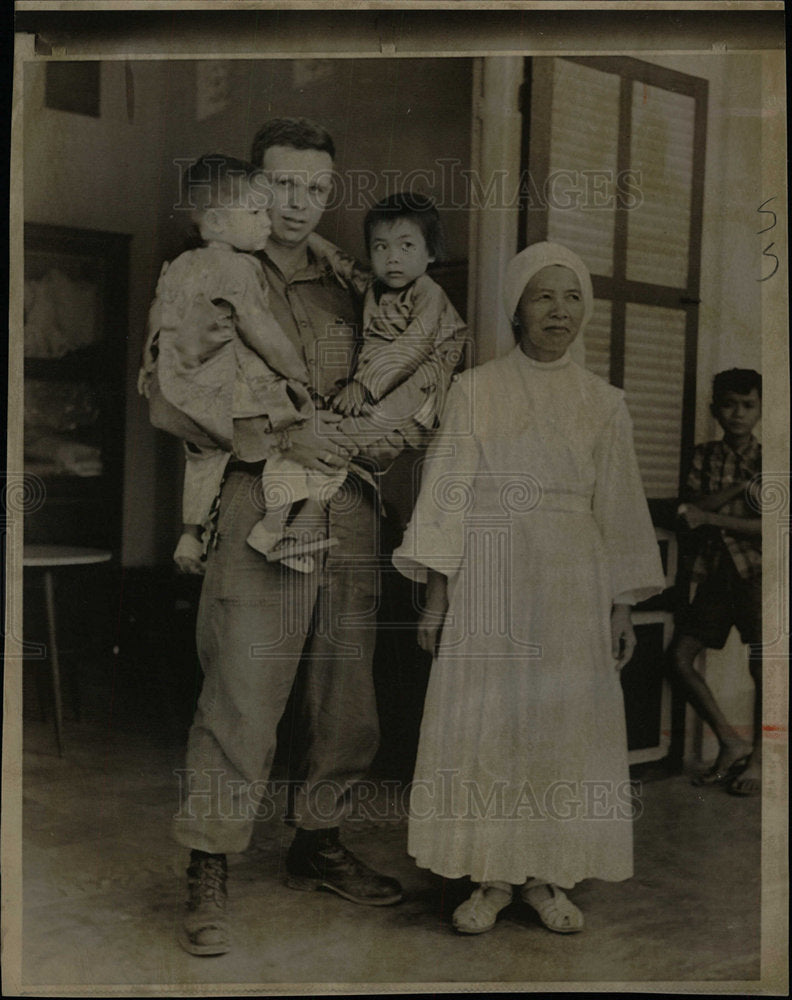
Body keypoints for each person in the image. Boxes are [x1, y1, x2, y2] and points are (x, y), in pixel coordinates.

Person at [151, 118, 457, 956]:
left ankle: (317, 841)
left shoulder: (354, 280)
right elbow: (170, 394)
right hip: (256, 500)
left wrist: (395, 431)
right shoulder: (209, 268)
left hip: (349, 504)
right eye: (283, 186)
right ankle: (211, 860)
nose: (299, 204)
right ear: (254, 184)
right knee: (242, 690)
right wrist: (277, 437)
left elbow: (416, 367)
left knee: (345, 694)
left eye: (317, 190)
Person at [392, 242, 665, 936]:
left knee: (559, 728)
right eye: (544, 296)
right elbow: (449, 493)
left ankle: (546, 876)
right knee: (492, 723)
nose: (559, 311)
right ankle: (490, 876)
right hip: (490, 575)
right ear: (516, 307)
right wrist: (436, 597)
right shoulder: (475, 390)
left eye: (571, 297)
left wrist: (622, 605)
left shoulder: (604, 404)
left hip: (573, 581)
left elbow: (622, 509)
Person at [672, 369, 762, 796]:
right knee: (679, 659)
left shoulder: (773, 459)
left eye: (747, 405)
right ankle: (730, 742)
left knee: (765, 668)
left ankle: (760, 762)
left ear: (760, 408)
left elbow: (771, 527)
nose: (738, 414)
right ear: (714, 409)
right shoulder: (704, 455)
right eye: (729, 404)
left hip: (760, 575)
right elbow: (687, 512)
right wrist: (740, 490)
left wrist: (708, 516)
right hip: (715, 573)